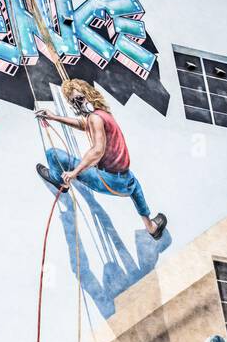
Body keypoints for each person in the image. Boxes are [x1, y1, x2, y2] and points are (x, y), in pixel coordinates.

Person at [35, 79, 168, 240]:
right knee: (135, 186)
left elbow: (97, 150)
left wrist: (74, 173)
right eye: (73, 102)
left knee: (52, 153)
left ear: (88, 94)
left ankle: (59, 182)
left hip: (106, 180)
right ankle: (151, 227)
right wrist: (55, 118)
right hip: (125, 181)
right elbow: (85, 125)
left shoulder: (95, 118)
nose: (78, 104)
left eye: (80, 99)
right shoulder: (102, 114)